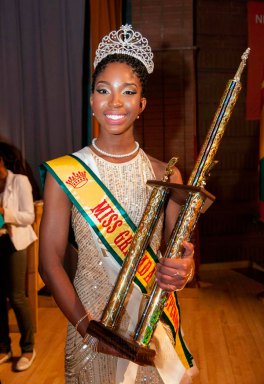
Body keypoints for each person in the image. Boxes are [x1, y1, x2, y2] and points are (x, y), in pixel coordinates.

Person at [39, 25, 198, 383]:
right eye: (103, 90)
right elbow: (49, 263)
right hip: (88, 331)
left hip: (149, 332)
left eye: (128, 92)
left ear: (142, 104)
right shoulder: (65, 173)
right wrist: (88, 328)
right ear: (92, 99)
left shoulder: (169, 176)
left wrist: (184, 271)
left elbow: (181, 255)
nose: (114, 102)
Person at [0, 142, 37, 371]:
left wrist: (6, 213)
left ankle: (28, 348)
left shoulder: (19, 181)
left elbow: (29, 216)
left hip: (15, 243)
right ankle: (4, 347)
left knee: (17, 297)